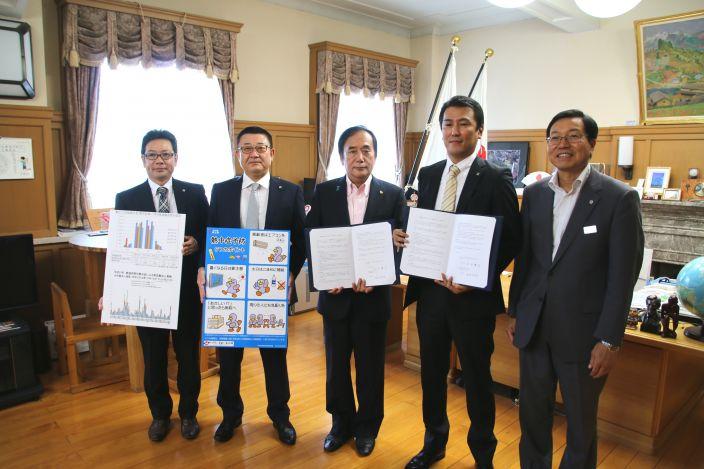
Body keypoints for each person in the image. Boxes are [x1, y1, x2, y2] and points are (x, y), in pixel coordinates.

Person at [506, 109, 644, 468]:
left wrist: (610, 339)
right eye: (554, 136)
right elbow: (528, 259)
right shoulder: (534, 194)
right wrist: (516, 311)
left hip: (585, 337)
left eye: (573, 136)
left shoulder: (618, 198)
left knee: (580, 428)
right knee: (532, 418)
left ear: (592, 144)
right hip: (534, 327)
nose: (562, 144)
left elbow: (622, 276)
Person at [393, 96, 521, 469]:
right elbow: (424, 227)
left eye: (464, 123)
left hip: (471, 300)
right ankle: (434, 443)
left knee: (476, 378)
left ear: (478, 130)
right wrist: (404, 235)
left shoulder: (496, 178)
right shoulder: (430, 174)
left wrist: (476, 278)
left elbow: (510, 238)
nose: (455, 130)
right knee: (431, 375)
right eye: (448, 123)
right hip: (431, 294)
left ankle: (483, 454)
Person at [196, 126, 306, 445]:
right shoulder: (221, 190)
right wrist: (204, 266)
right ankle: (230, 416)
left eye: (260, 148)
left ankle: (280, 417)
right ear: (238, 155)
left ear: (272, 153)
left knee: (275, 359)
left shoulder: (291, 191)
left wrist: (289, 274)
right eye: (247, 148)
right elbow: (211, 234)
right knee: (229, 360)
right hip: (229, 293)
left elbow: (299, 241)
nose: (254, 153)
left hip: (271, 292)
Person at [306, 125, 405, 457]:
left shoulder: (392, 195)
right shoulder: (325, 192)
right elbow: (312, 238)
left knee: (370, 368)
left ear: (375, 155)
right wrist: (323, 276)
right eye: (352, 150)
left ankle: (367, 429)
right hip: (335, 299)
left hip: (372, 300)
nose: (360, 157)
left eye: (367, 150)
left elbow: (403, 244)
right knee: (335, 368)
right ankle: (340, 424)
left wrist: (385, 264)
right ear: (341, 156)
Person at [113, 129, 209, 441]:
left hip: (185, 291)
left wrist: (196, 243)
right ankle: (159, 415)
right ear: (143, 160)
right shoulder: (126, 198)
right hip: (147, 292)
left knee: (187, 357)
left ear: (176, 159)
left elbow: (210, 235)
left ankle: (189, 414)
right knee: (153, 357)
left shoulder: (195, 192)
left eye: (166, 154)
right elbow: (121, 250)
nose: (159, 160)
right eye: (152, 155)